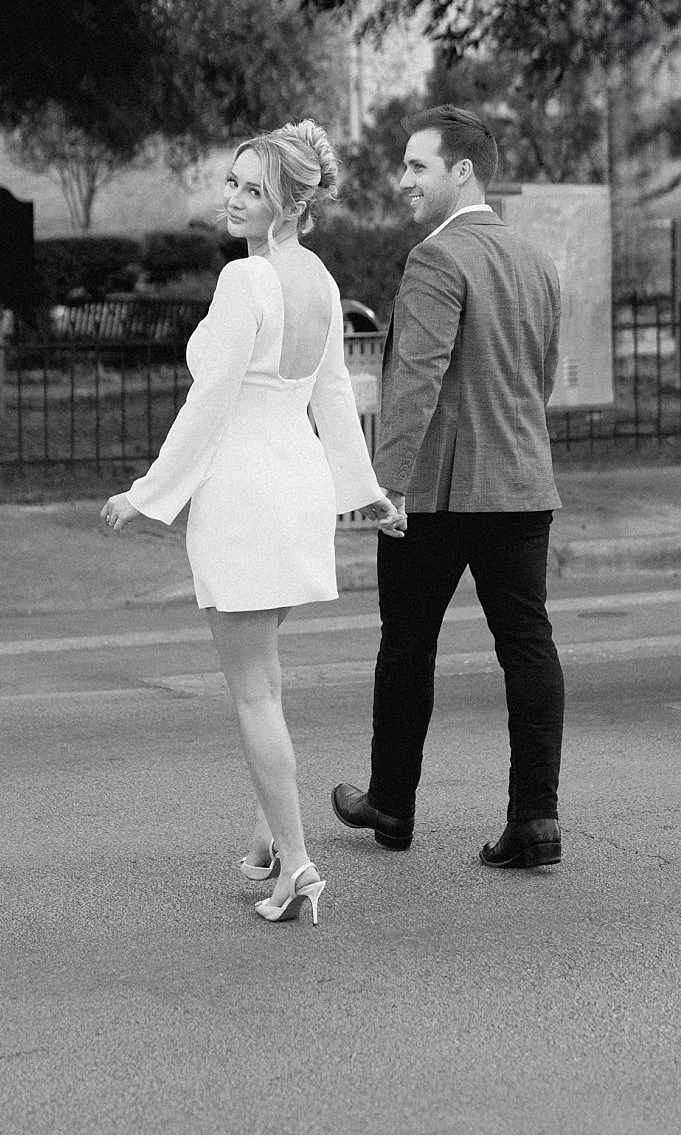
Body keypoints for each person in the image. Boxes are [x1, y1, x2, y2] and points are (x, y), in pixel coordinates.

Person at [101, 120, 404, 925]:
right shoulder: (322, 281)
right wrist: (360, 488)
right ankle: (270, 838)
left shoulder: (248, 284)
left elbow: (210, 403)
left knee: (252, 694)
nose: (232, 199)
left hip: (243, 492)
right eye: (232, 183)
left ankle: (297, 865)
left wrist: (148, 491)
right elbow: (333, 394)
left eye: (253, 190)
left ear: (292, 203)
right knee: (266, 679)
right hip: (296, 485)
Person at [331, 104, 567, 870]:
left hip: (438, 492)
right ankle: (535, 820)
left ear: (461, 170)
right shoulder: (534, 260)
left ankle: (391, 804)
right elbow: (541, 378)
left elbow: (414, 381)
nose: (403, 179)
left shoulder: (437, 258)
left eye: (416, 165)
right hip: (523, 483)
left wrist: (384, 485)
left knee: (406, 644)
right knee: (528, 647)